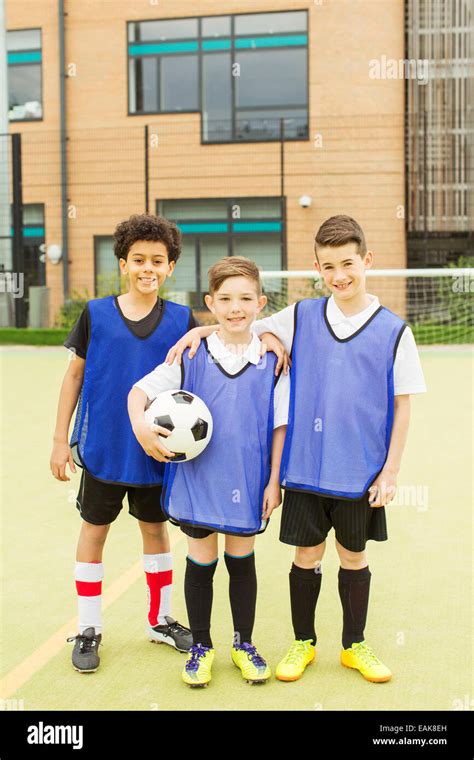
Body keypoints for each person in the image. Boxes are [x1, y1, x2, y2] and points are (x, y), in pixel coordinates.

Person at [166, 215, 427, 684]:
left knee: (354, 557)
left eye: (347, 263)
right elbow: (239, 324)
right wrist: (199, 333)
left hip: (360, 473)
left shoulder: (394, 331)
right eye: (328, 267)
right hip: (305, 471)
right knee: (305, 558)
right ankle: (302, 643)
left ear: (366, 260)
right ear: (317, 269)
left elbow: (402, 407)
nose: (339, 275)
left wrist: (390, 472)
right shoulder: (300, 316)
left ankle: (354, 646)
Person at [128, 256, 289, 687]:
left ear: (261, 303)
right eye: (225, 299)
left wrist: (274, 480)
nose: (235, 308)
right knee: (201, 561)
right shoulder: (191, 353)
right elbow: (139, 392)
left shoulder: (272, 359)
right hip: (199, 480)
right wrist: (142, 429)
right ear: (209, 303)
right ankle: (201, 645)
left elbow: (279, 425)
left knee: (241, 560)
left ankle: (244, 643)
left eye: (244, 299)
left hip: (248, 480)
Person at [50, 214, 195, 673]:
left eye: (157, 260)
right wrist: (59, 440)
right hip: (105, 449)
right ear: (123, 263)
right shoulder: (95, 314)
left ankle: (160, 620)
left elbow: (200, 367)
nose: (147, 267)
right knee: (94, 531)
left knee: (155, 531)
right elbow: (74, 375)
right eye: (138, 259)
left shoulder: (182, 319)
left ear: (170, 266)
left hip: (156, 451)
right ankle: (89, 627)